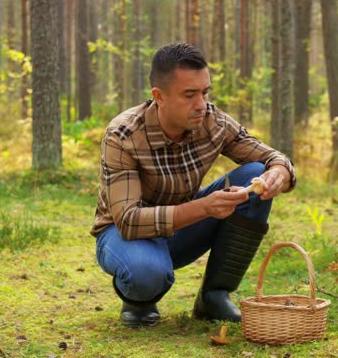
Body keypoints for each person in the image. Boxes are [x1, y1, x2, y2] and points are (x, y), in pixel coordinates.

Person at [91, 43, 296, 328]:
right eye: (189, 95)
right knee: (145, 271)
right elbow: (127, 221)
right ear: (159, 97)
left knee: (256, 171)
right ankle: (139, 298)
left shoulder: (213, 121)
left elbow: (269, 155)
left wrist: (279, 171)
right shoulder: (123, 135)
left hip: (182, 228)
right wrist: (204, 207)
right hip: (123, 235)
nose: (201, 104)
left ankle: (214, 296)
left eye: (204, 92)